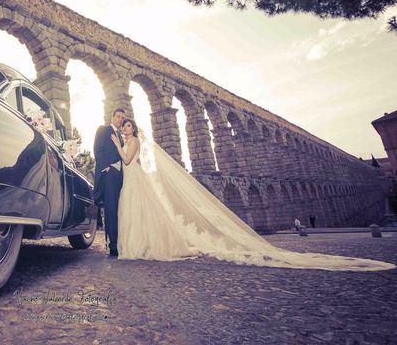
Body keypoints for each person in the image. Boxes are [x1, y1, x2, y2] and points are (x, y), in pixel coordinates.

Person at [109, 118, 395, 271]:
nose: (125, 128)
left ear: (133, 128)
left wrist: (117, 144)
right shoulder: (131, 138)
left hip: (133, 177)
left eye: (128, 125)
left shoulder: (131, 142)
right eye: (123, 127)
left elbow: (128, 159)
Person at [93, 108, 125, 257]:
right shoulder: (104, 129)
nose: (120, 119)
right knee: (111, 209)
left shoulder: (122, 136)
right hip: (110, 174)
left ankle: (121, 241)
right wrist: (106, 169)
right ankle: (113, 246)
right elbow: (97, 150)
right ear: (112, 117)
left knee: (120, 209)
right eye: (118, 116)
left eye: (122, 118)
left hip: (121, 176)